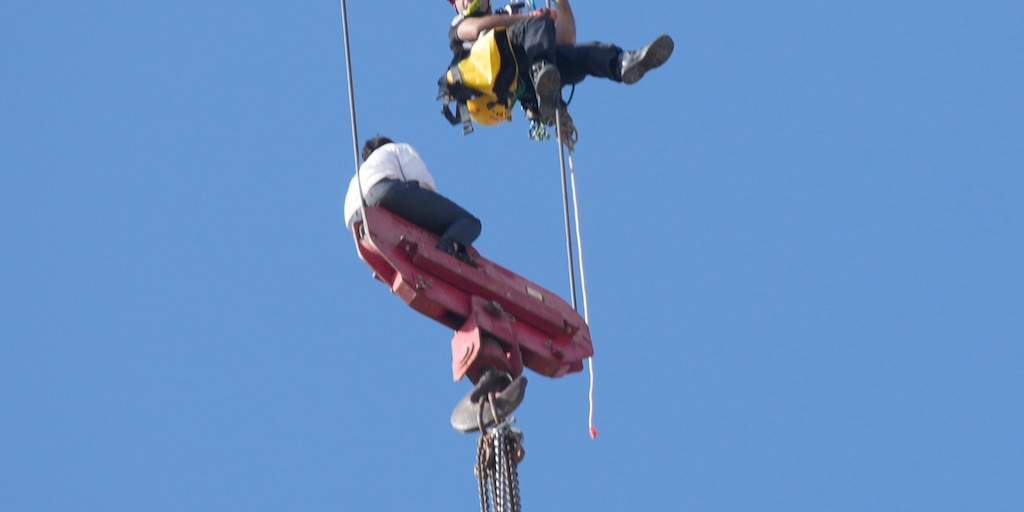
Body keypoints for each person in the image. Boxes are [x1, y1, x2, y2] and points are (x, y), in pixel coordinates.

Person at [446, 0, 674, 120]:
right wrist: (528, 19)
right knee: (537, 23)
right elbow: (476, 29)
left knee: (581, 55)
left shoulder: (512, 19)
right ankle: (542, 73)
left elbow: (565, 39)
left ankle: (621, 64)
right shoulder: (458, 27)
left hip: (521, 78)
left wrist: (560, 3)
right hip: (489, 78)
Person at [344, 136, 481, 266]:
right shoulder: (396, 148)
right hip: (385, 192)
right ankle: (448, 247)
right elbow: (421, 180)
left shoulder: (357, 176)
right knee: (469, 222)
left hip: (354, 221)